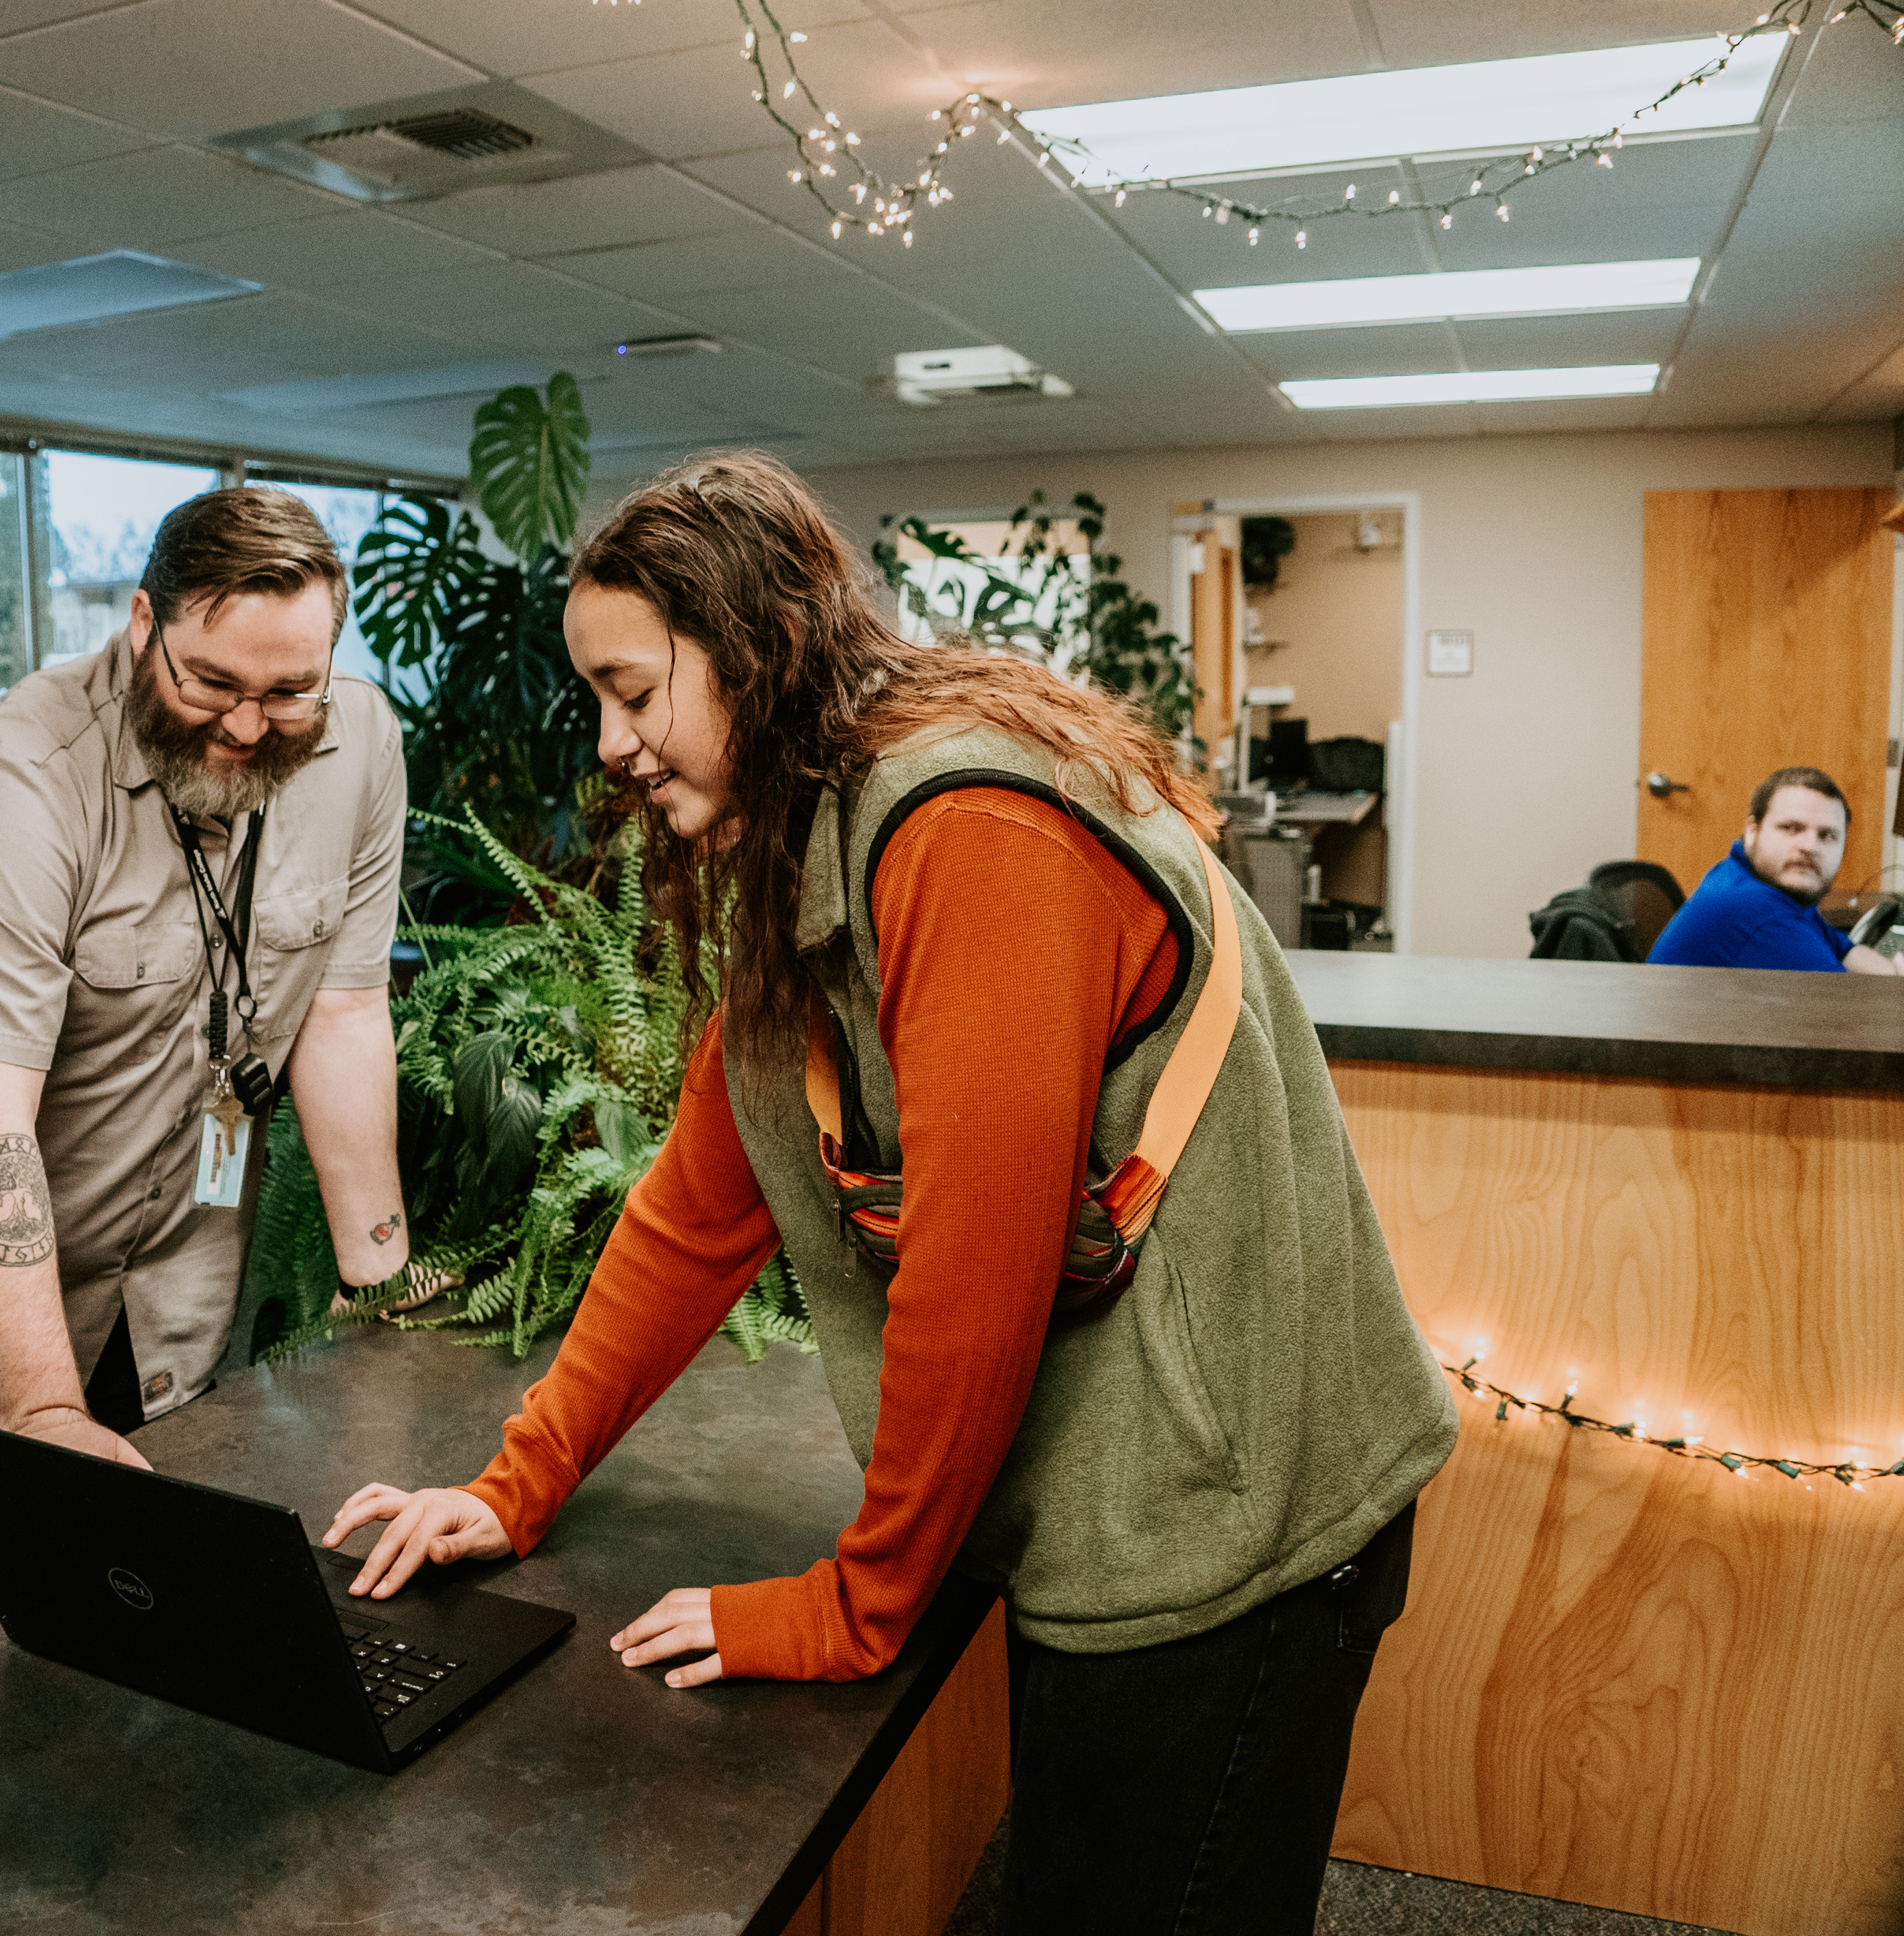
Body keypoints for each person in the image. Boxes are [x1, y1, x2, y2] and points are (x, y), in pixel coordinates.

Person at [319, 453, 1457, 1933]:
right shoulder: (822, 843)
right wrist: (510, 1485)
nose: (608, 744)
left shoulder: (964, 830)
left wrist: (854, 1608)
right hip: (1131, 1503)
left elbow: (973, 1278)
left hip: (1234, 1533)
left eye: (634, 690)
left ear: (750, 647)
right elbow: (694, 1213)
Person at [0, 486, 414, 1585]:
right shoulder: (11, 778)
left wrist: (379, 1275)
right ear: (141, 625)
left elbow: (345, 1012)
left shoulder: (359, 750)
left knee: (134, 1605)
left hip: (160, 1258)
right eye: (211, 682)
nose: (249, 725)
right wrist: (39, 1413)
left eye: (288, 692)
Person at [1646, 766, 1899, 974]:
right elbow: (1852, 1015)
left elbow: (1843, 950)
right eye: (1791, 828)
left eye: (1827, 835)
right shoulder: (1754, 910)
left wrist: (1895, 974)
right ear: (1753, 831)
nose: (1810, 847)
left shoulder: (1761, 883)